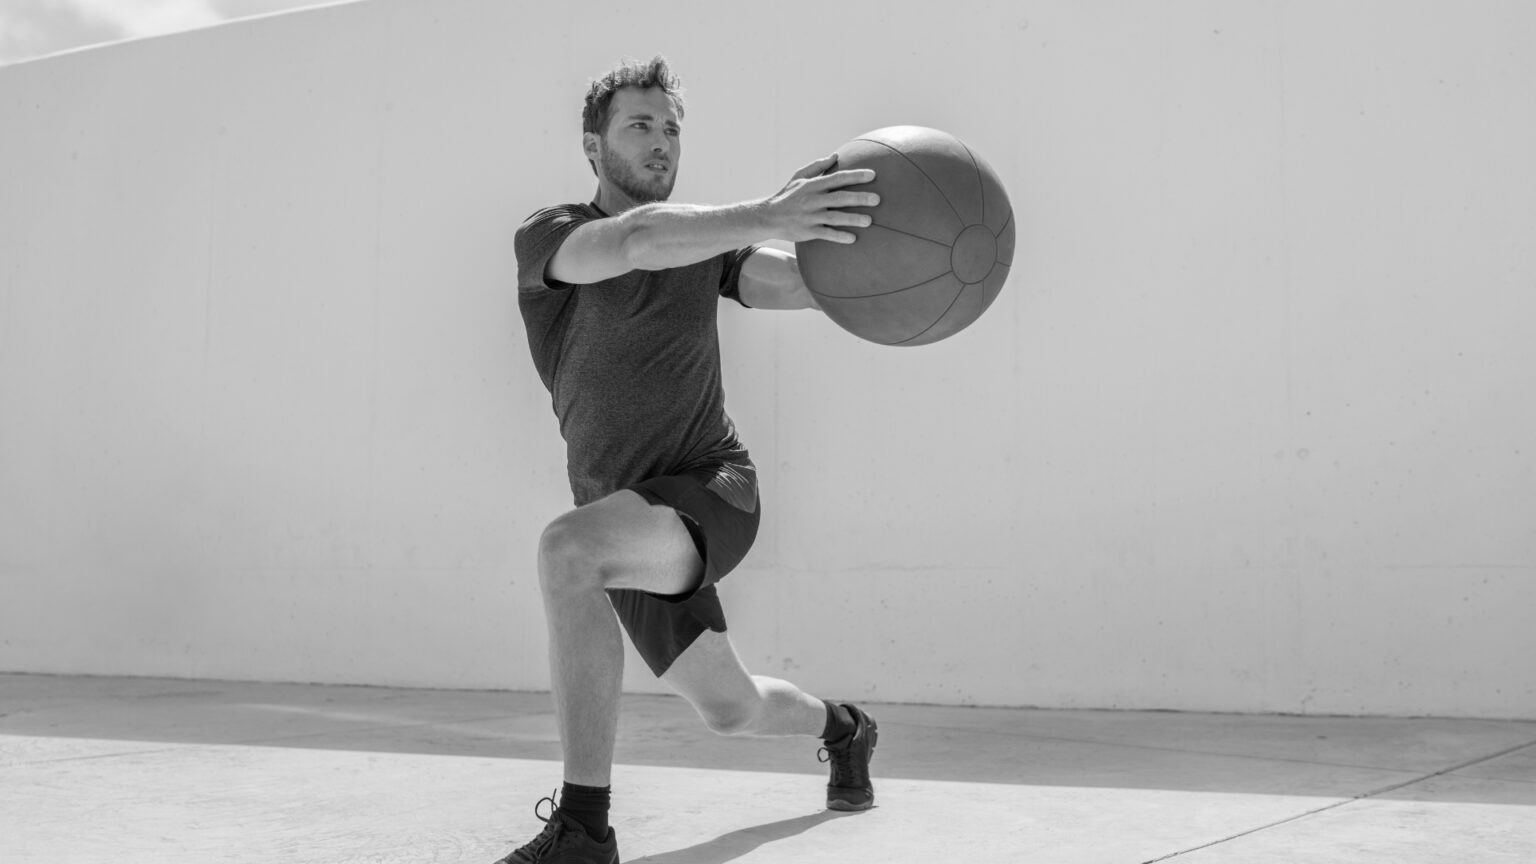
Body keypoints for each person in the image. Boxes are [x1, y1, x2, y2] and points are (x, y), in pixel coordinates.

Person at [501, 55, 881, 864]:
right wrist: (771, 212)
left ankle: (582, 830)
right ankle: (846, 728)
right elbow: (636, 241)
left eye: (671, 128)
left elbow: (796, 286)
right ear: (592, 146)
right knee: (732, 709)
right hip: (627, 513)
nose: (661, 142)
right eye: (639, 125)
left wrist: (873, 263)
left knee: (566, 549)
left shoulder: (708, 243)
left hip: (714, 488)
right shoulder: (553, 236)